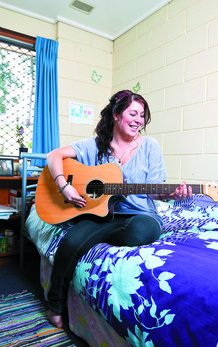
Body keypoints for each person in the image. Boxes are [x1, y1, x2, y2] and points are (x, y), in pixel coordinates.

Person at [45, 90, 192, 328]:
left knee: (142, 232)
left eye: (142, 115)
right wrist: (64, 186)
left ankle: (97, 236)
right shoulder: (95, 146)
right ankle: (55, 304)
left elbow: (155, 190)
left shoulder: (149, 146)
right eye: (132, 113)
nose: (138, 120)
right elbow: (54, 155)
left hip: (140, 215)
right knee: (70, 242)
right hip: (102, 215)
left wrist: (170, 194)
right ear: (116, 115)